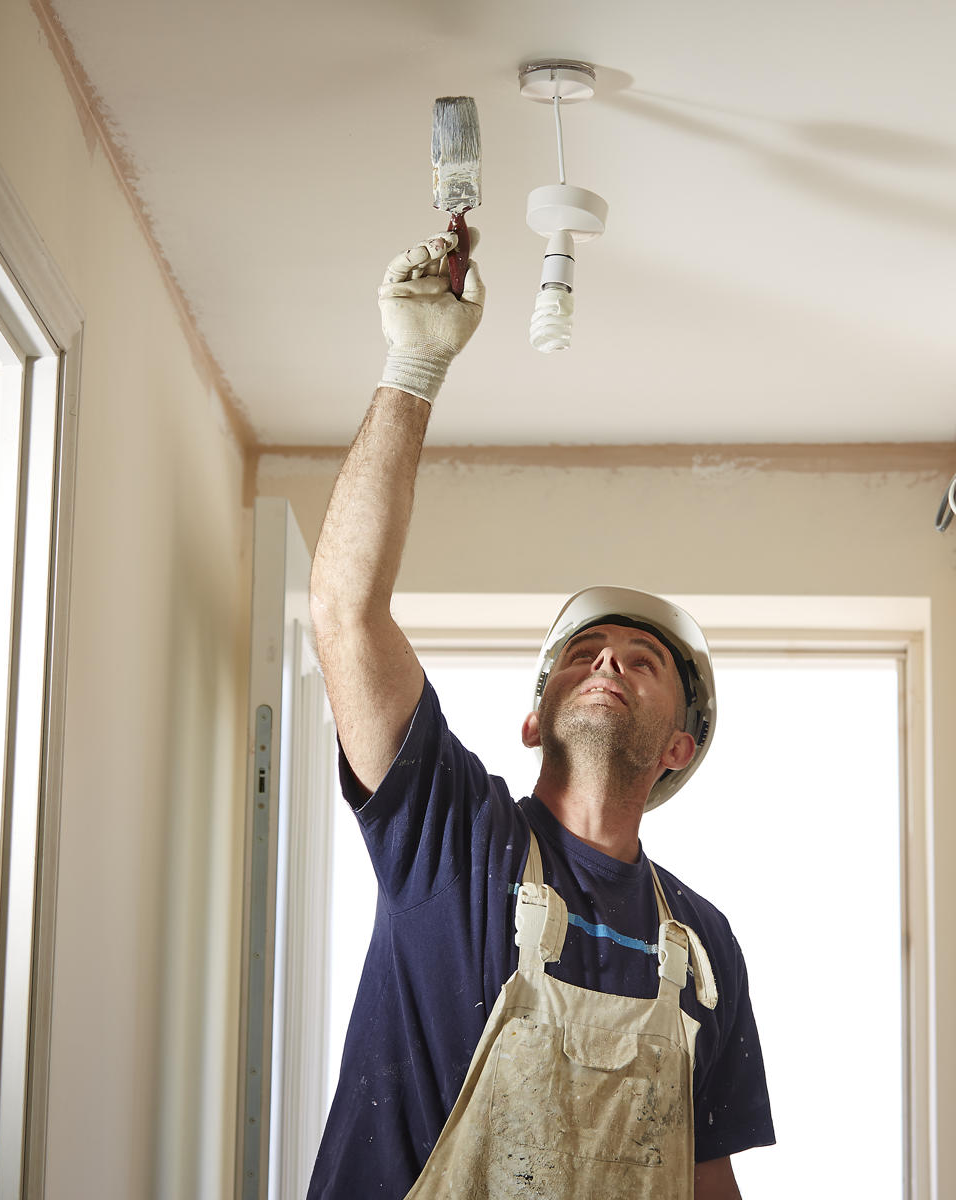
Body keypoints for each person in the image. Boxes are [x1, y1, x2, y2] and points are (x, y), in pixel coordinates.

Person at [305, 231, 775, 1199]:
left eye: (642, 662)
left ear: (677, 746)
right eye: (581, 655)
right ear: (534, 721)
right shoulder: (450, 839)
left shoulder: (704, 951)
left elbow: (707, 1182)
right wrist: (415, 363)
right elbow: (346, 613)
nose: (608, 660)